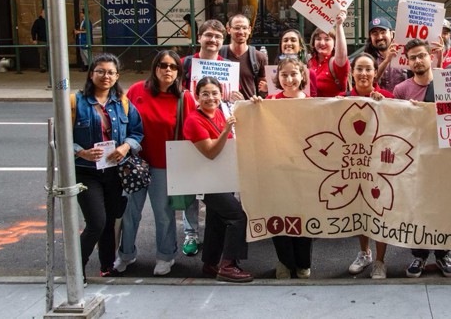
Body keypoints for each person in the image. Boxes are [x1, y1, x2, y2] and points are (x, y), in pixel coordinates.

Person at [117, 50, 195, 276]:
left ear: (179, 72)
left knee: (163, 213)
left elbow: (191, 131)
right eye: (163, 65)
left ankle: (165, 256)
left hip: (165, 165)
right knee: (130, 212)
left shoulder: (184, 97)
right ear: (155, 67)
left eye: (173, 67)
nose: (168, 70)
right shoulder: (136, 90)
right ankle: (125, 254)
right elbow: (124, 124)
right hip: (135, 164)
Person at [71, 54, 143, 282]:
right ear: (91, 74)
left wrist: (124, 147)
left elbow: (137, 132)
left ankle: (106, 265)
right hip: (86, 172)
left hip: (114, 171)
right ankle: (76, 268)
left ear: (117, 76)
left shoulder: (122, 102)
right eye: (100, 71)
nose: (106, 76)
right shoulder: (75, 102)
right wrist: (81, 151)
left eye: (111, 72)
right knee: (96, 222)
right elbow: (59, 137)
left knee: (110, 220)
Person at [393, 39, 451, 278]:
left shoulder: (448, 83)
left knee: (444, 205)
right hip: (416, 158)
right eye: (413, 58)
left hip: (445, 156)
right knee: (417, 207)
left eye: (421, 55)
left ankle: (443, 254)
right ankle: (419, 256)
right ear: (407, 62)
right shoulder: (401, 90)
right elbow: (397, 127)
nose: (418, 60)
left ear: (431, 57)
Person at [183, 76, 253, 282]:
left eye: (214, 93)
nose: (210, 98)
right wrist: (224, 131)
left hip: (223, 178)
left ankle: (210, 264)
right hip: (207, 181)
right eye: (205, 94)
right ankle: (228, 265)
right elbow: (211, 152)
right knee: (238, 217)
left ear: (221, 94)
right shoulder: (194, 120)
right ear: (197, 96)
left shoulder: (220, 114)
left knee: (216, 220)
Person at [342, 53, 394, 279]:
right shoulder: (340, 100)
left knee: (380, 210)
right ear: (352, 73)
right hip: (354, 164)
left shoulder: (388, 97)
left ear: (375, 73)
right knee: (359, 208)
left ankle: (380, 262)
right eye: (359, 69)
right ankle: (365, 253)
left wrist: (388, 106)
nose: (363, 74)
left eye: (368, 69)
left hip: (380, 165)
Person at [262, 58, 314, 278]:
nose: (289, 79)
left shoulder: (314, 104)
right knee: (279, 216)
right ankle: (284, 261)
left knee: (303, 217)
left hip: (305, 172)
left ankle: (303, 263)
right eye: (284, 75)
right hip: (278, 170)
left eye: (294, 74)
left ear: (302, 76)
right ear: (277, 78)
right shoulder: (269, 102)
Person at [220, 14, 268, 99]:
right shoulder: (219, 53)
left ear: (249, 30)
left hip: (249, 109)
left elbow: (263, 90)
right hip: (222, 109)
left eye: (244, 28)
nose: (241, 32)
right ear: (228, 30)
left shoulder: (259, 57)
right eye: (237, 28)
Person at [308, 11, 350, 97]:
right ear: (313, 42)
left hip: (334, 109)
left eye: (327, 39)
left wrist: (339, 25)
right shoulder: (308, 61)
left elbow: (342, 53)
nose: (322, 43)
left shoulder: (336, 63)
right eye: (318, 39)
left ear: (335, 44)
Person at [367, 17, 406, 93]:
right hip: (378, 103)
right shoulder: (368, 59)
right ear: (370, 38)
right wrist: (387, 60)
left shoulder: (405, 55)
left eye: (383, 32)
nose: (379, 37)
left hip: (404, 103)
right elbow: (371, 81)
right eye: (374, 33)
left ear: (392, 34)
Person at [279, 28, 318, 97]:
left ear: (300, 47)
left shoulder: (310, 73)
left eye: (293, 40)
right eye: (285, 40)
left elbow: (313, 101)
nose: (288, 43)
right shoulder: (273, 71)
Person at [31, 8, 47, 73]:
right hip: (42, 40)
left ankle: (52, 66)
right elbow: (33, 30)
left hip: (51, 40)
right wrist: (34, 39)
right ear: (41, 13)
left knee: (52, 54)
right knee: (42, 55)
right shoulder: (38, 21)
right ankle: (43, 67)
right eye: (44, 13)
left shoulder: (50, 20)